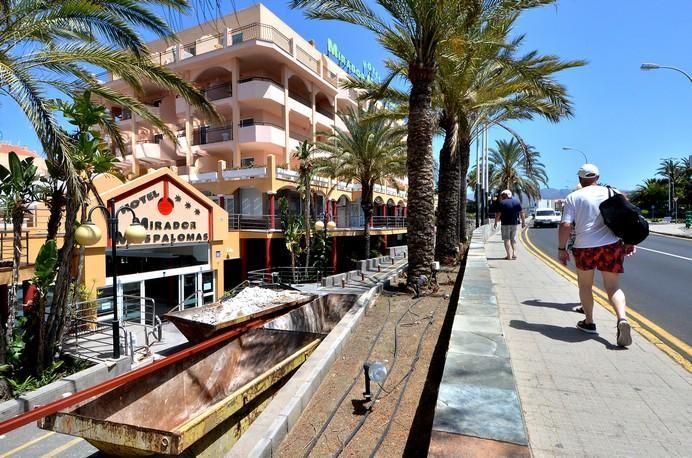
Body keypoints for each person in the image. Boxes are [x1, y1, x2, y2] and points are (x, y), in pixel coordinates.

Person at [558, 164, 636, 347]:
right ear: (598, 177)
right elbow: (628, 216)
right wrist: (630, 241)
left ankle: (589, 322)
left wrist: (562, 249)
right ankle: (622, 318)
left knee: (585, 286)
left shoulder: (573, 197)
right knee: (613, 287)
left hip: (584, 247)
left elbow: (565, 225)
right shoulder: (613, 192)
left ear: (580, 179)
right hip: (611, 245)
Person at [493, 190, 525, 260]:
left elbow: (498, 214)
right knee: (512, 239)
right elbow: (522, 213)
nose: (501, 196)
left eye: (502, 195)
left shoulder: (502, 203)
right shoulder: (517, 202)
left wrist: (495, 222)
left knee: (506, 240)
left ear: (506, 195)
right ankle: (514, 253)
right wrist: (523, 222)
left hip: (505, 224)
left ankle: (509, 256)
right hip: (514, 224)